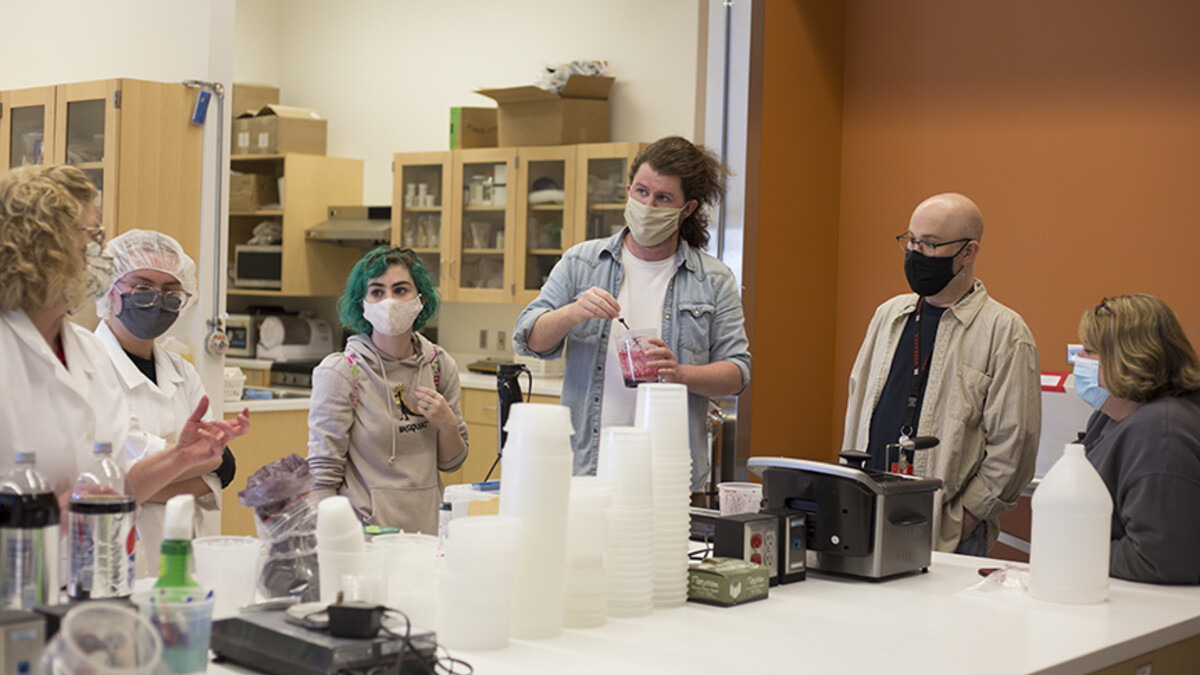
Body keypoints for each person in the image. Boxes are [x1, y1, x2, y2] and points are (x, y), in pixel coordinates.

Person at [513, 136, 751, 492]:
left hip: (669, 474)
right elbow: (528, 338)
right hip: (588, 469)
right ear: (628, 189)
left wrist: (679, 372)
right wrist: (573, 312)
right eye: (641, 191)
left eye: (663, 198)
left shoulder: (713, 280)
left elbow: (737, 372)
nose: (647, 205)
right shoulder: (581, 262)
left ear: (686, 209)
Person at [0, 164, 241, 512]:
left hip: (97, 558)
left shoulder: (85, 352)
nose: (103, 255)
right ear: (43, 249)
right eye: (90, 239)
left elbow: (117, 484)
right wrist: (61, 514)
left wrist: (180, 457)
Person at [842, 193, 1041, 555]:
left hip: (947, 532)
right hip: (867, 514)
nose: (916, 253)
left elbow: (1015, 443)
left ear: (968, 252)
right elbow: (858, 406)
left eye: (931, 244)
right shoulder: (888, 316)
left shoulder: (1005, 332)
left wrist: (967, 516)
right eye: (912, 241)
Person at [95, 229, 249, 578]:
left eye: (171, 291)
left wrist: (162, 471)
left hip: (184, 548)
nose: (158, 299)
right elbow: (117, 480)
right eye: (143, 287)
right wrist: (191, 463)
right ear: (110, 288)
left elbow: (216, 461)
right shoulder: (89, 365)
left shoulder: (182, 371)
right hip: (119, 549)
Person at [307, 246, 468, 534]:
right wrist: (334, 538)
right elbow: (322, 476)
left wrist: (447, 424)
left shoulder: (439, 366)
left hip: (426, 531)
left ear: (421, 299)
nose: (389, 301)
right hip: (365, 534)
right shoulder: (342, 372)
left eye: (401, 290)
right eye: (377, 292)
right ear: (362, 304)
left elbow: (452, 462)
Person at [1074, 294, 1200, 584]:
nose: (1079, 360)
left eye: (1090, 351)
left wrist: (1072, 548)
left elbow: (1160, 558)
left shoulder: (1162, 436)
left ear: (1130, 359)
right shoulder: (1110, 416)